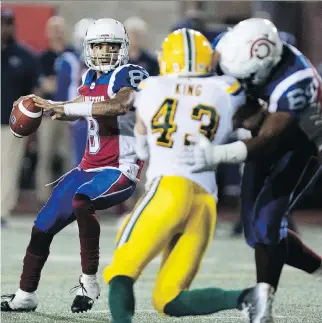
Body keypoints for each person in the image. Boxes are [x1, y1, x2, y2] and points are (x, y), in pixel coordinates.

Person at [103, 28, 258, 323]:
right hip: (205, 203)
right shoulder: (228, 90)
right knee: (168, 298)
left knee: (121, 270)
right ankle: (247, 298)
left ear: (167, 59)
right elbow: (252, 122)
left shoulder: (150, 88)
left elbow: (142, 149)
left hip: (168, 190)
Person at [178, 18, 322, 322]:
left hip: (302, 140)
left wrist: (218, 152)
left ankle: (262, 303)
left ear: (264, 66)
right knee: (256, 234)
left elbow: (268, 138)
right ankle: (319, 268)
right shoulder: (228, 47)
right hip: (263, 123)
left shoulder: (297, 81)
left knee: (268, 224)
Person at [1, 18, 149, 313]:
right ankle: (25, 294)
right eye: (98, 46)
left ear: (123, 48)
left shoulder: (131, 73)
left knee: (83, 201)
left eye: (111, 45)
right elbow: (79, 107)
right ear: (88, 48)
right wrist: (47, 105)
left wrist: (65, 107)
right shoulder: (91, 77)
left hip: (120, 168)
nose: (104, 51)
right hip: (87, 167)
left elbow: (119, 105)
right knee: (42, 226)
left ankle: (89, 282)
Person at [1, 8, 40, 227]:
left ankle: (1, 212)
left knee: (8, 168)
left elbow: (33, 93)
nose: (3, 28)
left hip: (11, 123)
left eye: (7, 23)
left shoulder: (25, 57)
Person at [54, 18, 95, 168]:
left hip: (98, 117)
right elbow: (61, 91)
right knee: (76, 159)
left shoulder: (105, 64)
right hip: (76, 119)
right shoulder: (69, 60)